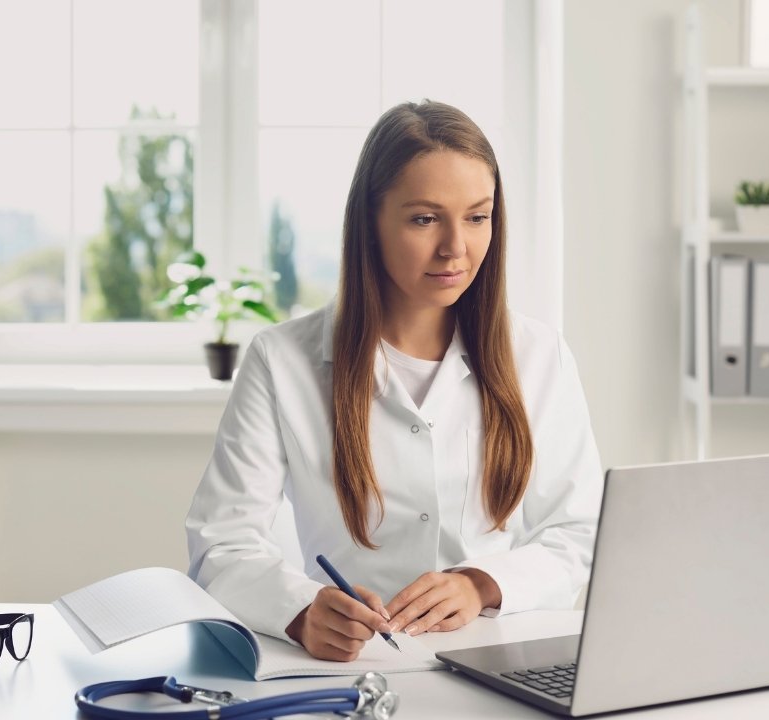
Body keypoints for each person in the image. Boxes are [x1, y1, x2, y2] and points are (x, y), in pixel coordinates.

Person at [185, 100, 602, 662]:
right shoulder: (280, 361)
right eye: (425, 219)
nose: (456, 247)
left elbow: (580, 532)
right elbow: (221, 544)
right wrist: (303, 611)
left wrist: (482, 583)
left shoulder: (539, 355)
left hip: (500, 659)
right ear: (370, 223)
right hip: (352, 667)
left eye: (477, 217)